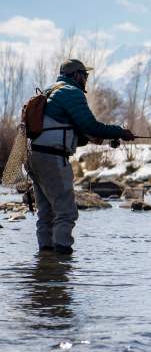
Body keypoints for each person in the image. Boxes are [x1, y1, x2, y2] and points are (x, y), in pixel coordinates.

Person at [26, 59, 135, 255]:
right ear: (76, 75)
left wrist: (93, 138)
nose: (86, 79)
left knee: (47, 212)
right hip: (52, 158)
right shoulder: (71, 92)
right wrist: (119, 131)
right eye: (85, 75)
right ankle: (62, 260)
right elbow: (90, 125)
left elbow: (66, 128)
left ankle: (45, 263)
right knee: (66, 212)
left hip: (34, 156)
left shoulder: (51, 90)